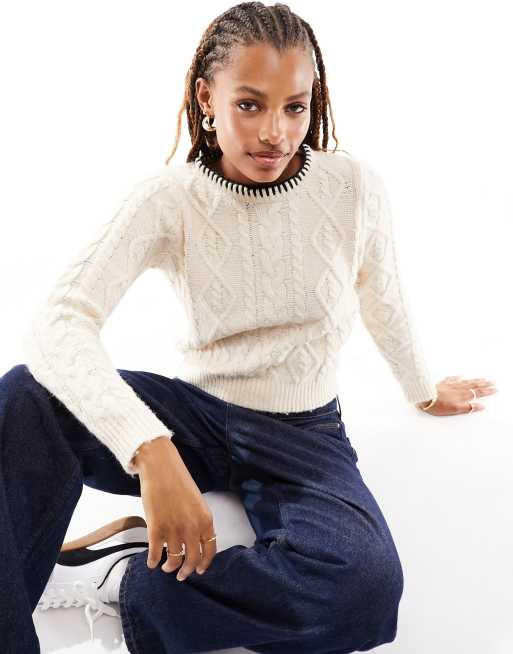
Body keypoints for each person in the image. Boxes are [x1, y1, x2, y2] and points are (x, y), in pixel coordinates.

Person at [0, 2, 497, 653]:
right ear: (208, 99)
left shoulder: (352, 188)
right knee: (25, 396)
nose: (275, 133)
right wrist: (151, 450)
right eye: (250, 105)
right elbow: (58, 324)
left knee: (365, 590)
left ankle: (136, 586)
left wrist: (422, 390)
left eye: (295, 107)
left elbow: (384, 297)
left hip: (304, 434)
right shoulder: (168, 199)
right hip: (196, 417)